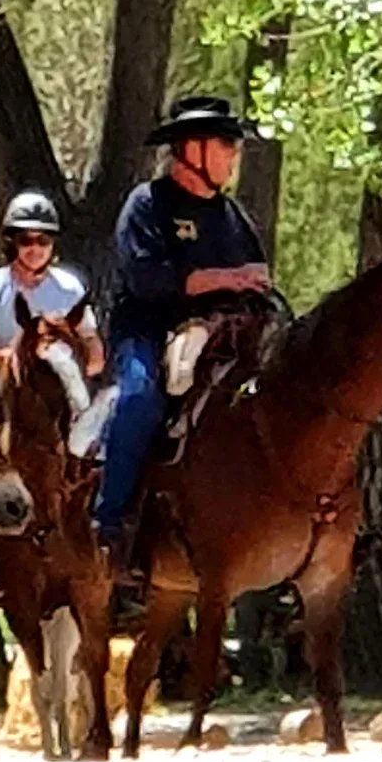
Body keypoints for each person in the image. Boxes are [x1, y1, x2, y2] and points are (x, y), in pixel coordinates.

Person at [93, 94, 273, 561]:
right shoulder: (147, 205)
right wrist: (227, 278)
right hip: (149, 332)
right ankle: (109, 523)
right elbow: (146, 278)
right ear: (192, 149)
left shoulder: (233, 216)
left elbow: (259, 275)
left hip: (226, 336)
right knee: (139, 397)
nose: (235, 153)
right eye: (226, 142)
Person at [0, 190, 104, 400]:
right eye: (26, 240)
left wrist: (70, 362)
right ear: (12, 244)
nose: (35, 249)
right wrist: (10, 359)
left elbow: (93, 350)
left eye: (43, 240)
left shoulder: (71, 288)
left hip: (62, 398)